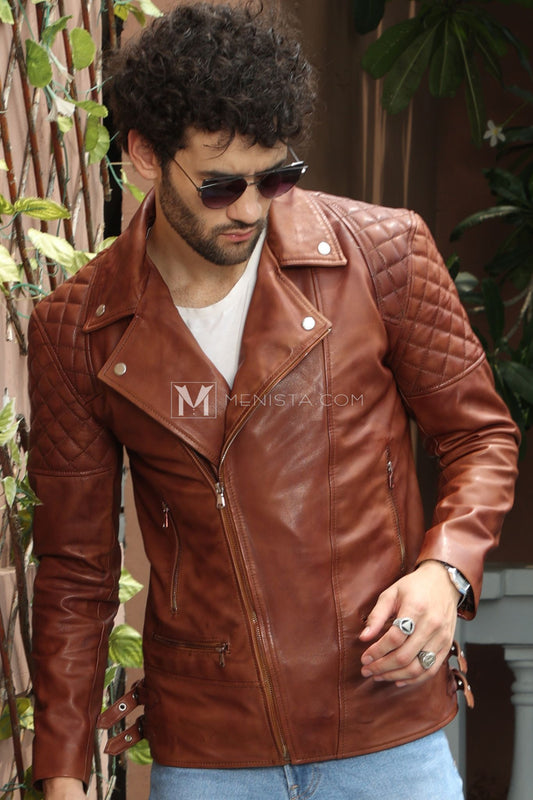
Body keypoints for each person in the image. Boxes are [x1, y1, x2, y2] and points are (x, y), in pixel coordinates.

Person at [28, 3, 520, 799]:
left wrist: (445, 570)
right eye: (221, 186)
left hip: (383, 725)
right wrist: (62, 770)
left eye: (277, 177)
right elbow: (76, 571)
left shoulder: (384, 255)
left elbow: (480, 437)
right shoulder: (76, 329)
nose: (252, 209)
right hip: (208, 750)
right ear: (145, 156)